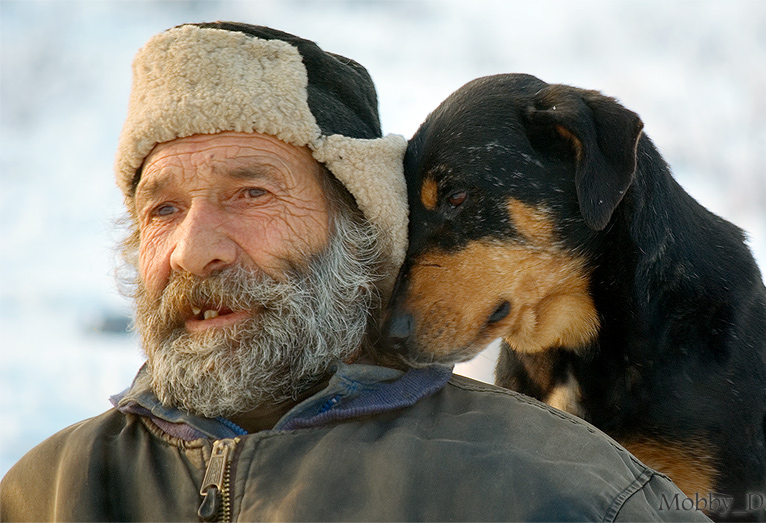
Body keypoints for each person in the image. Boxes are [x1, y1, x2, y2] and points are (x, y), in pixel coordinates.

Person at [0, 22, 710, 522]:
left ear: (363, 228)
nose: (194, 249)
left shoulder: (568, 494)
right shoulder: (45, 491)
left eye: (251, 192)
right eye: (161, 208)